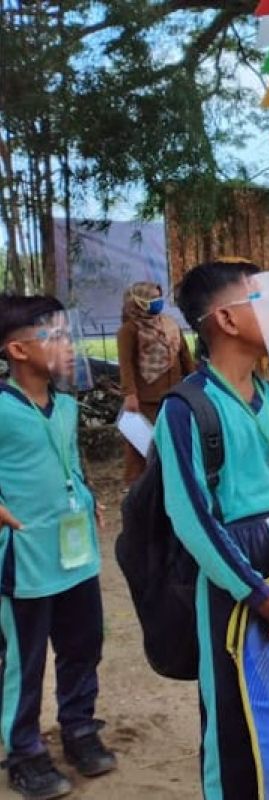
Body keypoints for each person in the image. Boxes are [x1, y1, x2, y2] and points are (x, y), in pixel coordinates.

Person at [158, 261, 269, 799]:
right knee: (230, 714)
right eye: (264, 300)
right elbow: (193, 517)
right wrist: (257, 592)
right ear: (226, 320)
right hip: (229, 577)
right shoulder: (188, 409)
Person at [0, 295, 115, 800]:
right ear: (18, 350)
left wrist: (85, 496)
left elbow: (67, 462)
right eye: (56, 337)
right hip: (24, 559)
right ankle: (23, 751)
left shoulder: (66, 405)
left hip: (76, 554)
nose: (68, 346)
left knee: (83, 643)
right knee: (25, 661)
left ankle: (79, 728)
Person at [117, 281, 195, 484]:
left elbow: (184, 355)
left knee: (174, 439)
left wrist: (194, 381)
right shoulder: (130, 330)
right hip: (146, 398)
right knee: (141, 444)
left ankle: (171, 480)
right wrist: (130, 394)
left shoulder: (170, 324)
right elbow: (126, 364)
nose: (157, 303)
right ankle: (138, 485)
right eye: (151, 299)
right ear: (138, 303)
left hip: (175, 392)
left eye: (158, 298)